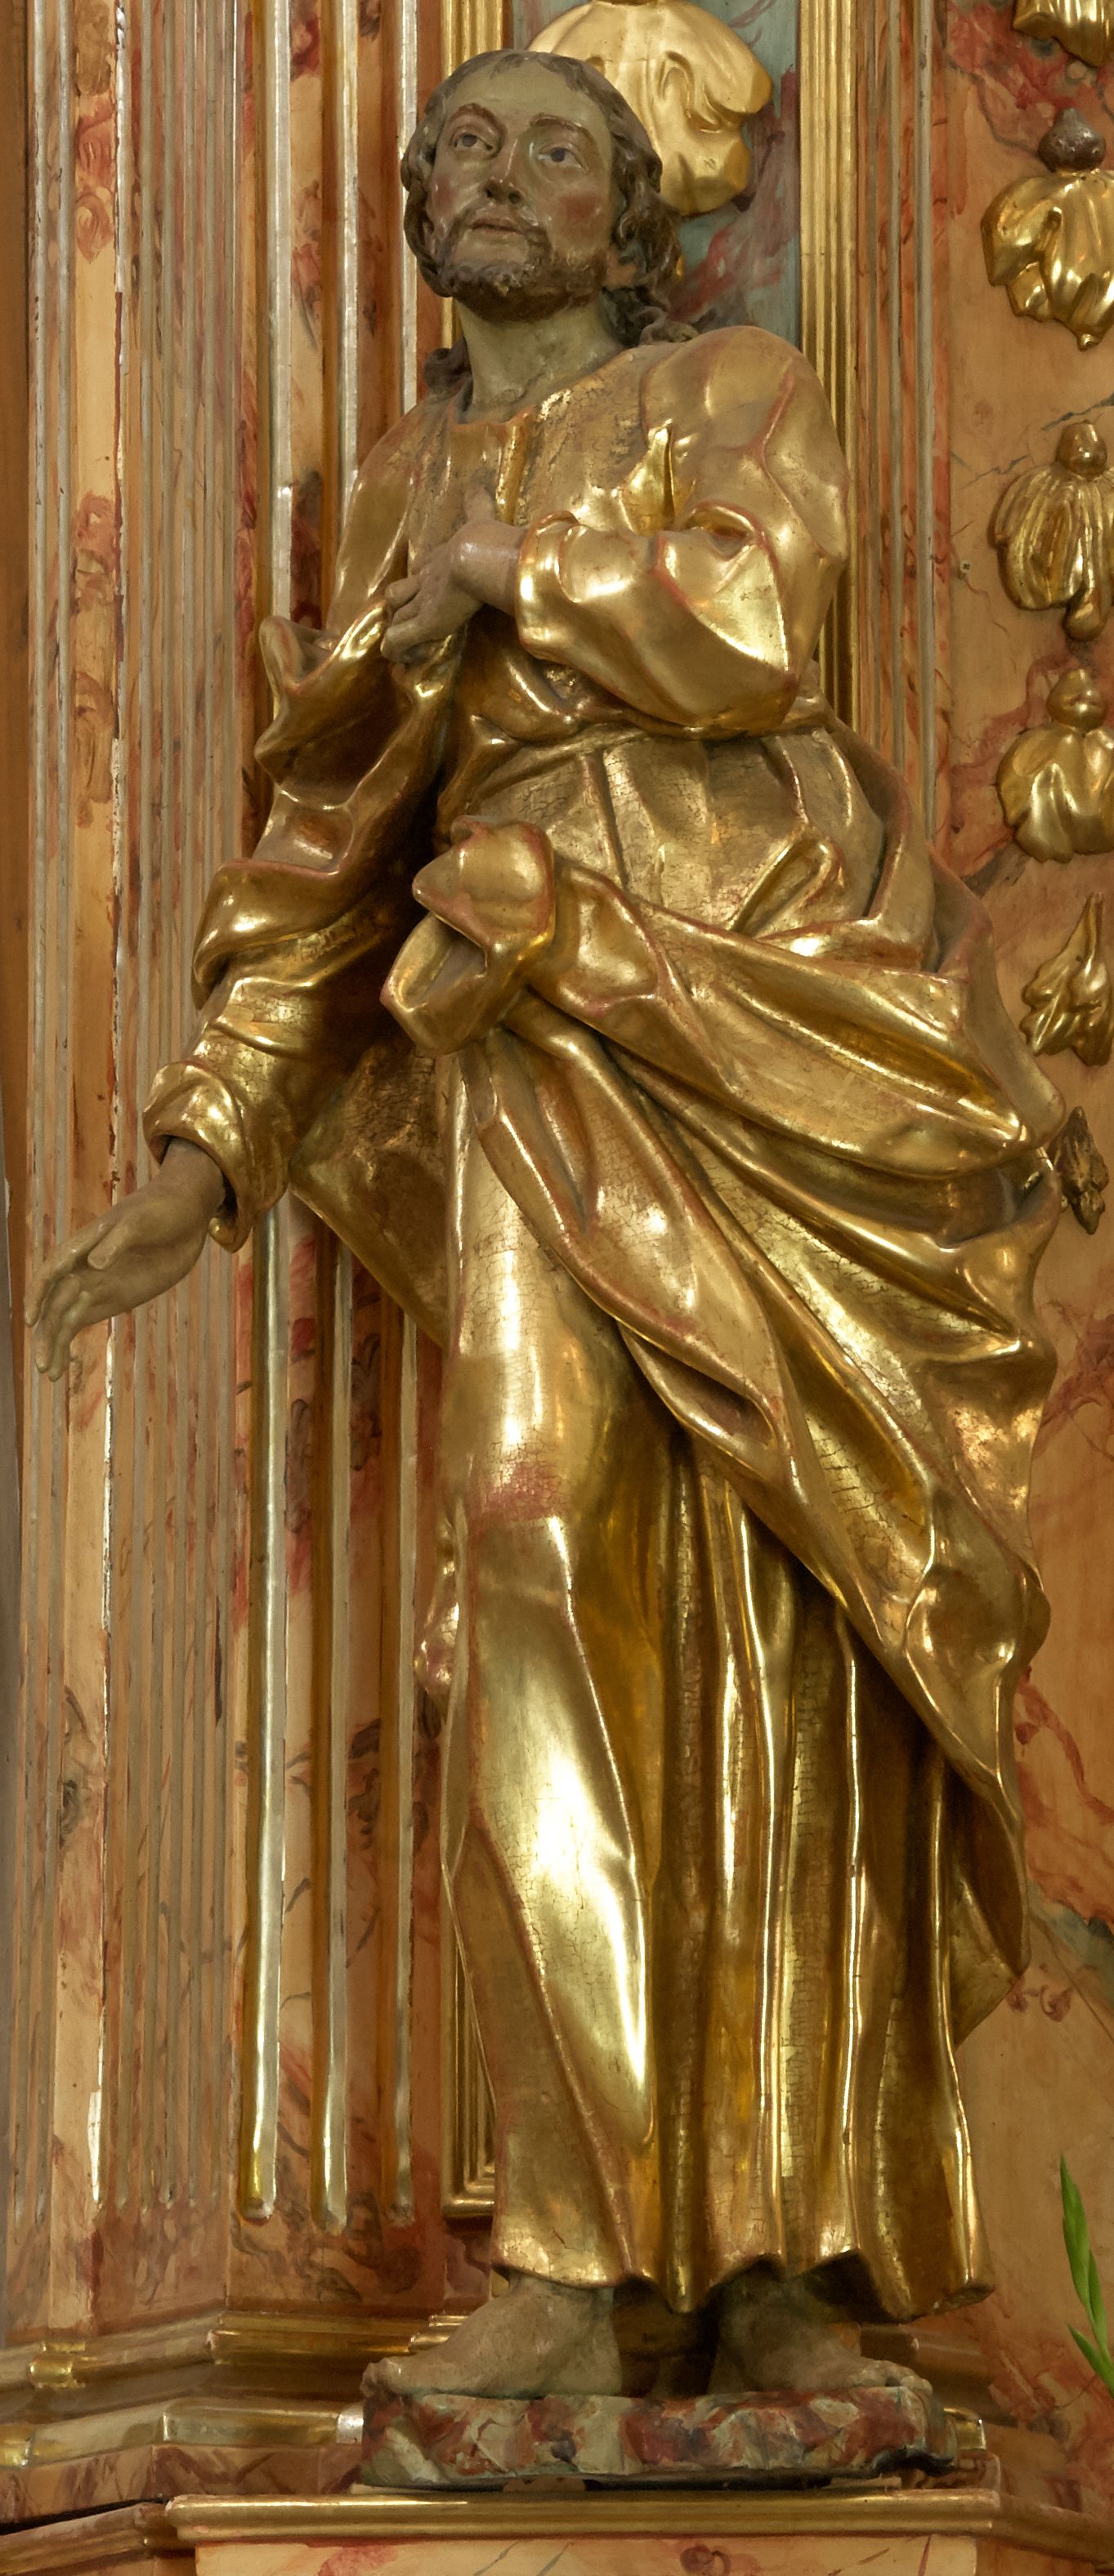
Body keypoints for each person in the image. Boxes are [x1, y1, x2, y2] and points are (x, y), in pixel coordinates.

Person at [31, 49, 1062, 2403]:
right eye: (464, 146)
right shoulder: (403, 485)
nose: (501, 177)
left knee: (793, 1633)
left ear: (634, 226)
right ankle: (583, 2251)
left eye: (558, 152)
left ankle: (794, 2251)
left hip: (778, 1028)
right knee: (527, 1576)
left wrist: (520, 567)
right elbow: (333, 839)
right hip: (536, 1035)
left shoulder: (725, 392)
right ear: (414, 206)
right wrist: (206, 1148)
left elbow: (757, 623)